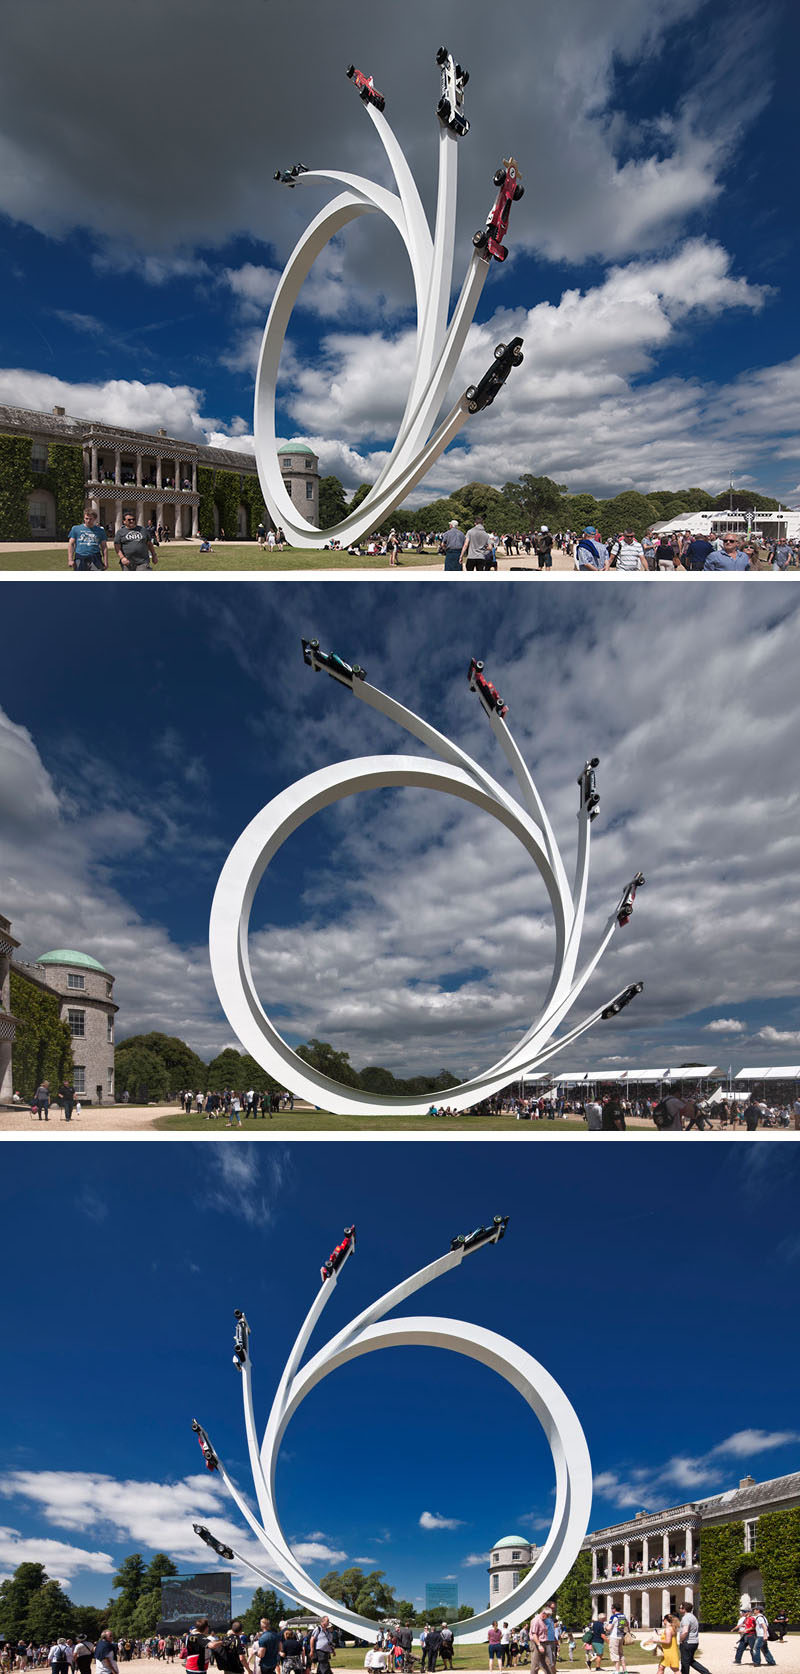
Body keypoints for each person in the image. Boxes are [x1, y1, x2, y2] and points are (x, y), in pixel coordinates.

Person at [67, 507, 108, 571]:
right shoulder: (76, 529)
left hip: (95, 557)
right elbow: (71, 544)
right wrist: (70, 559)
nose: (88, 521)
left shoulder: (100, 531)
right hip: (80, 557)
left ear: (95, 519)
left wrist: (105, 561)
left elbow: (104, 547)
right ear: (84, 518)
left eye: (90, 519)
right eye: (86, 518)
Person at [677, 1603, 709, 1674]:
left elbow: (685, 1631)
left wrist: (680, 1640)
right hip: (694, 1642)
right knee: (690, 1661)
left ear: (684, 1609)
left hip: (687, 1642)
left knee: (685, 1662)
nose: (679, 1609)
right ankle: (706, 1672)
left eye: (680, 1607)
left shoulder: (686, 1618)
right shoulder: (693, 1617)